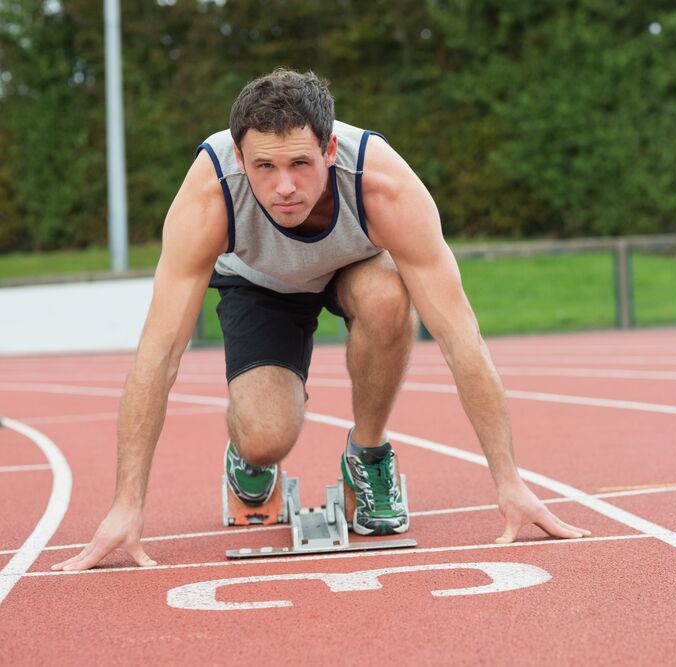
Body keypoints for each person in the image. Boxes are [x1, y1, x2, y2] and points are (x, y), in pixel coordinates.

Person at [53, 68, 589, 571]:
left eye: (300, 165)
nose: (284, 186)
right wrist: (126, 506)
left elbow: (458, 335)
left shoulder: (382, 185)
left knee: (386, 296)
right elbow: (160, 353)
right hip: (260, 282)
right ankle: (248, 462)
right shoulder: (209, 194)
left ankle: (368, 455)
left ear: (329, 150)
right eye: (265, 167)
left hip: (352, 266)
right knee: (265, 436)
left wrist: (510, 482)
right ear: (240, 157)